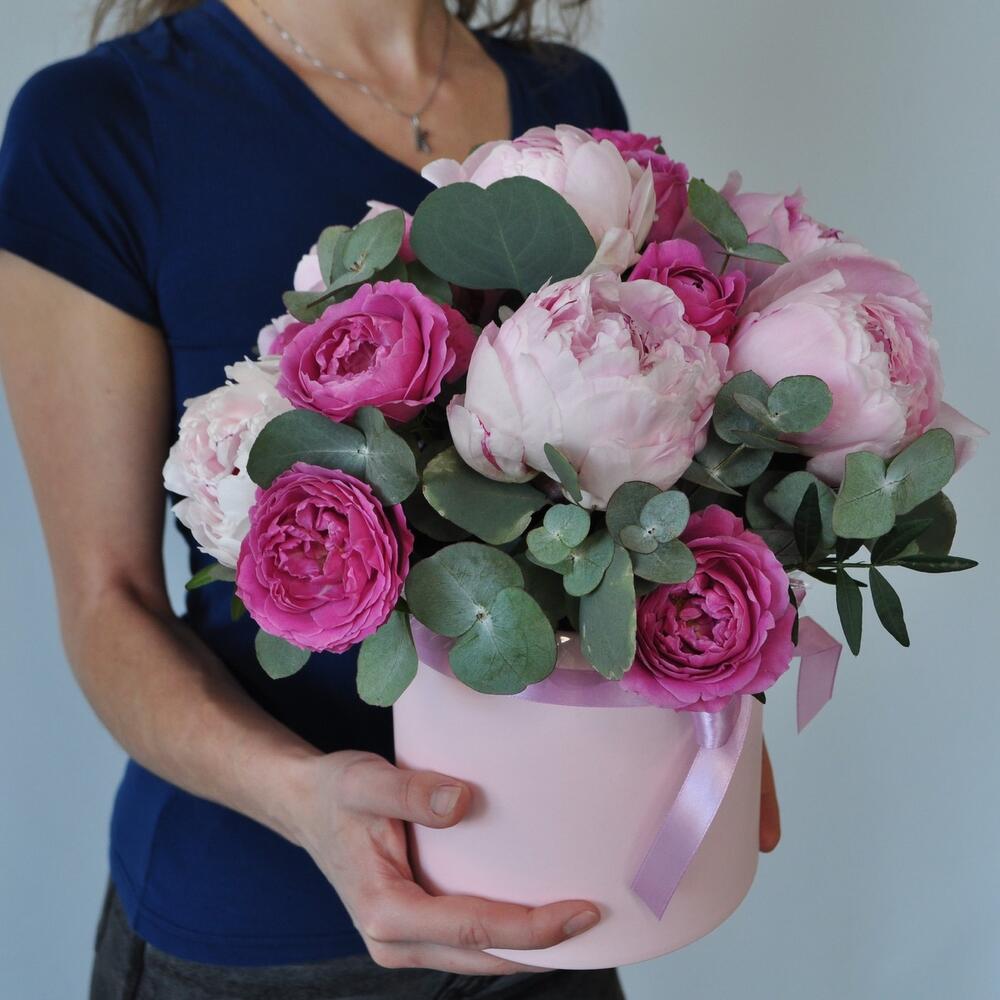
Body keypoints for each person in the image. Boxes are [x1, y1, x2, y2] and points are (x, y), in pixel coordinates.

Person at [0, 1, 781, 996]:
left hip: (559, 898)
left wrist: (710, 689)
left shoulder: (566, 105)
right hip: (261, 940)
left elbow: (655, 486)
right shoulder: (102, 123)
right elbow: (105, 601)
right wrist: (303, 798)